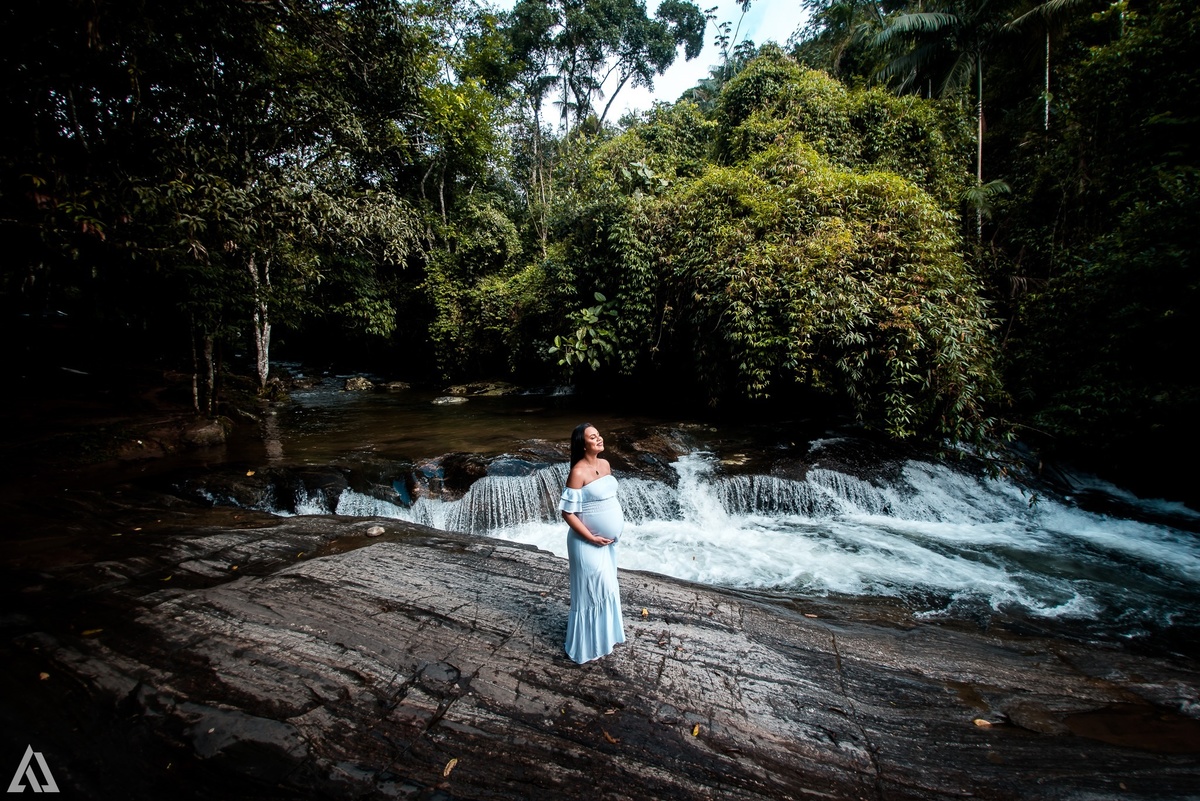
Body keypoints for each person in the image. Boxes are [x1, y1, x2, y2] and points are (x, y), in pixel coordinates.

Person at [558, 423, 626, 663]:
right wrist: (591, 537)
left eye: (599, 434)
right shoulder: (578, 472)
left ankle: (604, 638)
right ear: (582, 444)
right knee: (592, 592)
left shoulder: (605, 464)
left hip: (607, 543)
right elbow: (567, 513)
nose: (599, 439)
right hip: (586, 542)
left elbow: (607, 499)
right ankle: (587, 646)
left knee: (607, 588)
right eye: (593, 437)